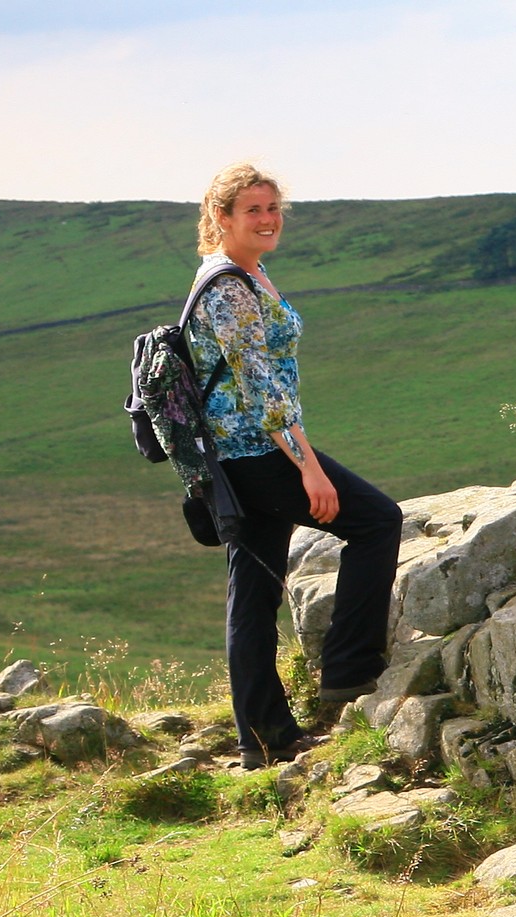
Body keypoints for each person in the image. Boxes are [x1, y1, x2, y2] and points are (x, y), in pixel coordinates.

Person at [186, 162, 399, 766]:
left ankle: (264, 740)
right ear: (220, 217)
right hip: (255, 454)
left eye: (274, 208)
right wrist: (308, 467)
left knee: (252, 594)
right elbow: (261, 389)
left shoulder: (250, 275)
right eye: (252, 210)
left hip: (239, 457)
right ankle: (350, 670)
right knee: (377, 520)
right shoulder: (228, 288)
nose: (268, 219)